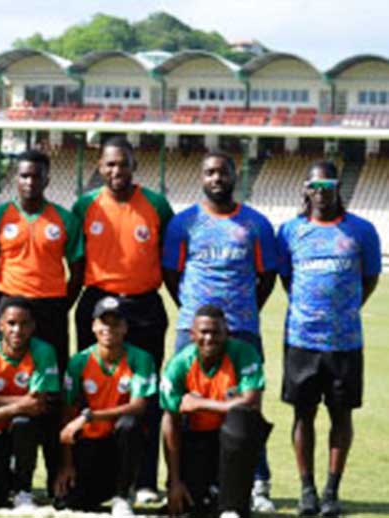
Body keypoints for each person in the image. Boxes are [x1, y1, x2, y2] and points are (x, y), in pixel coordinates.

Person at [162, 150, 277, 512]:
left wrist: (243, 312)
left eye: (223, 172)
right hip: (192, 329)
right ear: (202, 177)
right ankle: (182, 480)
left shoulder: (255, 223)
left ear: (234, 175)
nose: (216, 178)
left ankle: (257, 482)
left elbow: (267, 276)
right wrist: (192, 315)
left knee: (245, 409)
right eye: (210, 172)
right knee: (182, 409)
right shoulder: (184, 223)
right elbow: (171, 274)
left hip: (242, 327)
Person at [276, 161, 381, 517]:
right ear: (305, 189)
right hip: (301, 340)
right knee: (302, 416)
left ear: (339, 188)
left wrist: (344, 311)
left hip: (345, 342)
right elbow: (286, 278)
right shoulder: (290, 231)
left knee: (341, 416)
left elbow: (369, 279)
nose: (321, 193)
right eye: (314, 186)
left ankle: (332, 491)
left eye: (328, 186)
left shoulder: (361, 231)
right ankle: (307, 490)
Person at [72, 137, 173, 500]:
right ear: (99, 167)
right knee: (92, 389)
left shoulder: (157, 205)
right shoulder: (85, 205)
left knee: (143, 395)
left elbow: (169, 257)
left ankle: (144, 480)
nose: (117, 171)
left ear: (135, 166)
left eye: (124, 164)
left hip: (144, 306)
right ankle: (95, 476)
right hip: (98, 302)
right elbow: (76, 259)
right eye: (110, 164)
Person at [0, 149, 83, 374]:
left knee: (53, 369)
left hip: (51, 305)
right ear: (16, 179)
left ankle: (50, 409)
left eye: (36, 176)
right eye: (25, 176)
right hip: (10, 302)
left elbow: (78, 270)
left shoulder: (65, 219)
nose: (30, 182)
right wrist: (2, 298)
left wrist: (62, 304)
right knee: (3, 369)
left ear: (47, 180)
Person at [160, 305, 272, 518]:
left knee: (242, 419)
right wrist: (174, 482)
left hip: (232, 440)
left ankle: (233, 505)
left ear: (226, 333)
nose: (209, 338)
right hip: (197, 440)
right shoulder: (179, 364)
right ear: (192, 335)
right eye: (203, 332)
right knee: (192, 508)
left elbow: (251, 402)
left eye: (216, 332)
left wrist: (200, 403)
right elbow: (170, 420)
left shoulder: (244, 353)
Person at [55, 296, 157, 516]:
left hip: (123, 444)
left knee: (130, 425)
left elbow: (138, 406)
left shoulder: (141, 359)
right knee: (72, 502)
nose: (109, 328)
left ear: (125, 327)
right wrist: (66, 465)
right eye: (103, 322)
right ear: (93, 326)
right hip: (92, 443)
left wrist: (91, 416)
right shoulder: (79, 362)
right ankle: (101, 489)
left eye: (116, 323)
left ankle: (123, 495)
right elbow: (68, 414)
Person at [0, 297, 60, 509]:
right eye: (12, 323)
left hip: (28, 429)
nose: (18, 330)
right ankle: (5, 480)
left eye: (24, 324)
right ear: (0, 325)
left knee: (24, 422)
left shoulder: (43, 352)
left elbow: (38, 405)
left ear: (33, 326)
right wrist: (18, 405)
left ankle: (23, 490)